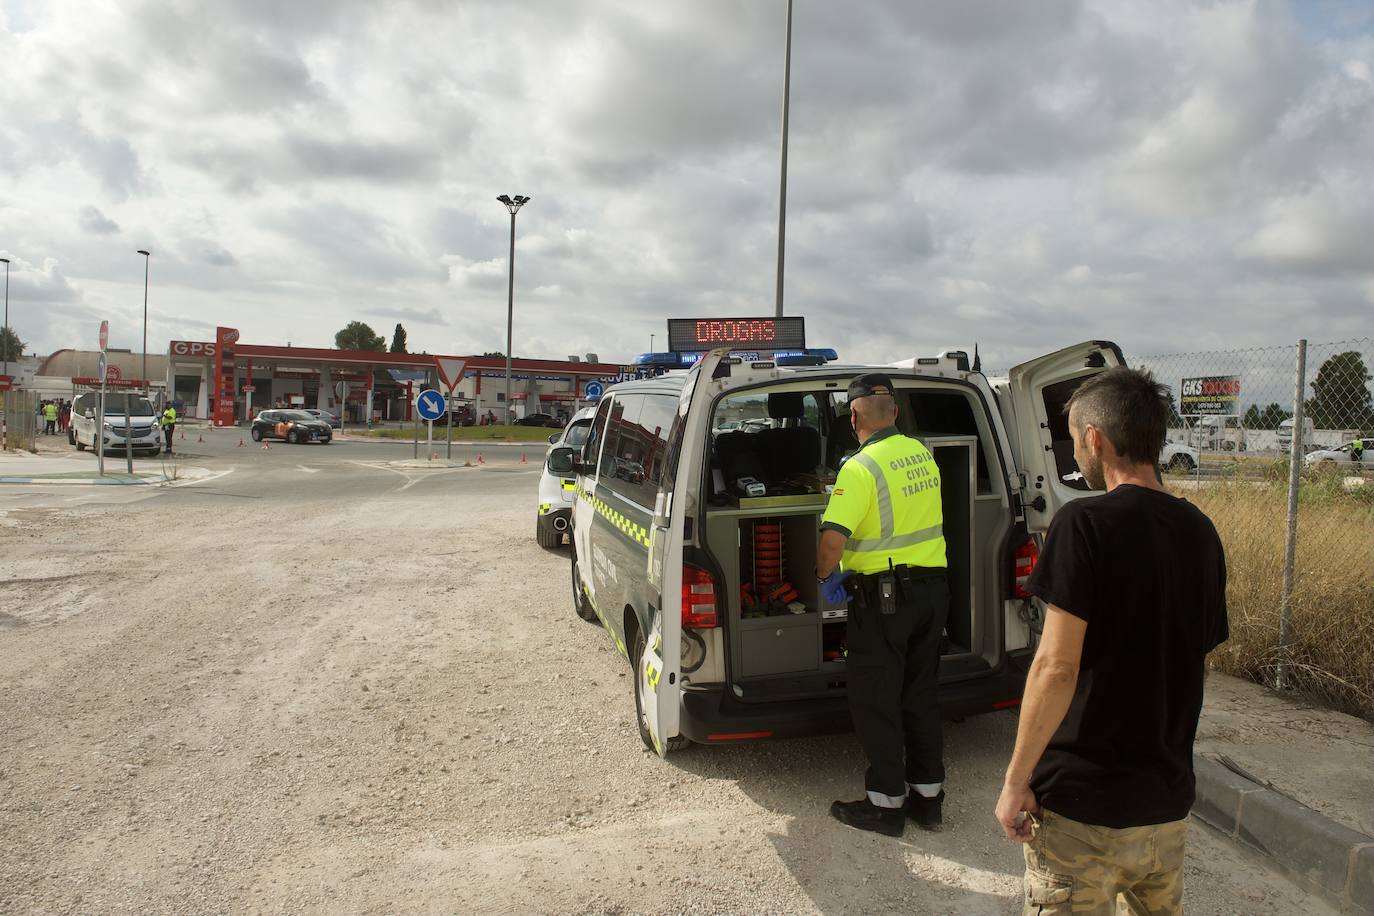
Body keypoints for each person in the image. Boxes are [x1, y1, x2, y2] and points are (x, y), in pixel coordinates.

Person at [994, 367, 1229, 914]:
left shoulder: (1084, 524)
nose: (1076, 454)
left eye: (1076, 440)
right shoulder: (1200, 531)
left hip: (1084, 812)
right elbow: (1192, 653)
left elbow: (1056, 667)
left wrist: (1015, 781)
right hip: (1165, 811)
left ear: (1096, 437)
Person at [815, 373, 949, 838]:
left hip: (885, 599)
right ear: (894, 411)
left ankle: (886, 807)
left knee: (878, 699)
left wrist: (825, 578)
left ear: (853, 416)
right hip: (933, 591)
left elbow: (832, 543)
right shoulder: (923, 456)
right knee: (921, 695)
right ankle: (928, 801)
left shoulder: (859, 468)